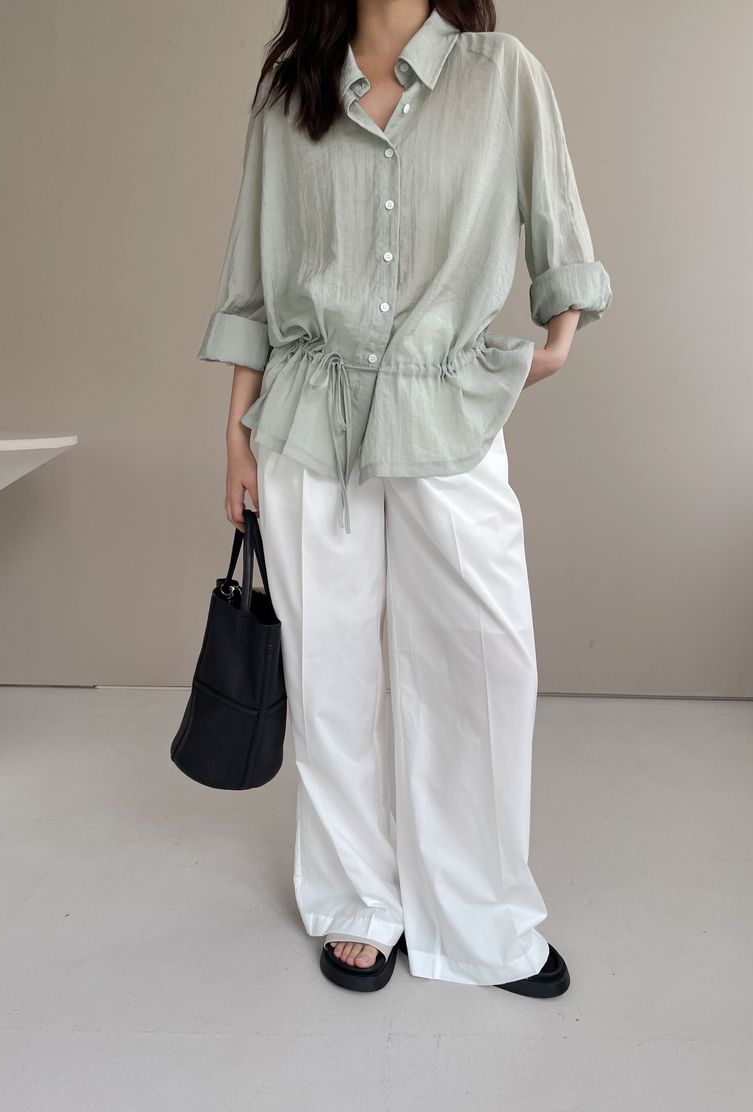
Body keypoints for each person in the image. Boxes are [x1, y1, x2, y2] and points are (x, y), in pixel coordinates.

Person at [197, 0, 611, 995]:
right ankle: (358, 903)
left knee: (481, 662)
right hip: (307, 419)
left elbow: (556, 222)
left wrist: (553, 344)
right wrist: (236, 433)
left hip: (445, 414)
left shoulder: (500, 73)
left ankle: (478, 918)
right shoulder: (290, 90)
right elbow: (252, 278)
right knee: (330, 675)